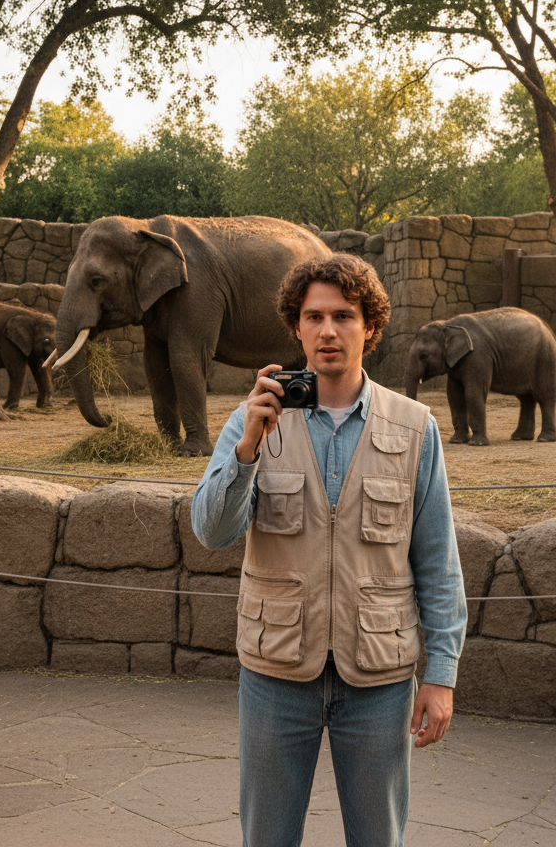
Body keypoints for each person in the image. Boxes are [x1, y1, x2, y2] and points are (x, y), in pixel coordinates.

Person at [192, 253, 467, 847]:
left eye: (344, 316)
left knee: (378, 839)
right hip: (276, 673)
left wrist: (440, 676)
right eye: (313, 317)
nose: (328, 330)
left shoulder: (416, 426)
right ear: (296, 328)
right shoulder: (255, 418)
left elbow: (438, 562)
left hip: (379, 679)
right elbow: (211, 532)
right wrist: (246, 451)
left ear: (370, 326)